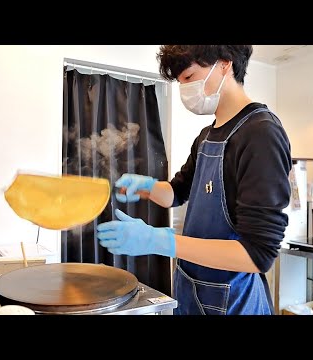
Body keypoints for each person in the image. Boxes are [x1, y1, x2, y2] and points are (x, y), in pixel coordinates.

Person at [96, 45, 292, 315]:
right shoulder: (206, 136)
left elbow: (258, 254)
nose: (184, 90)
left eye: (188, 77)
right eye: (179, 83)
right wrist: (150, 188)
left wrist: (160, 241)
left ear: (225, 63)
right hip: (192, 289)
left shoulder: (261, 134)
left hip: (233, 299)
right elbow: (177, 192)